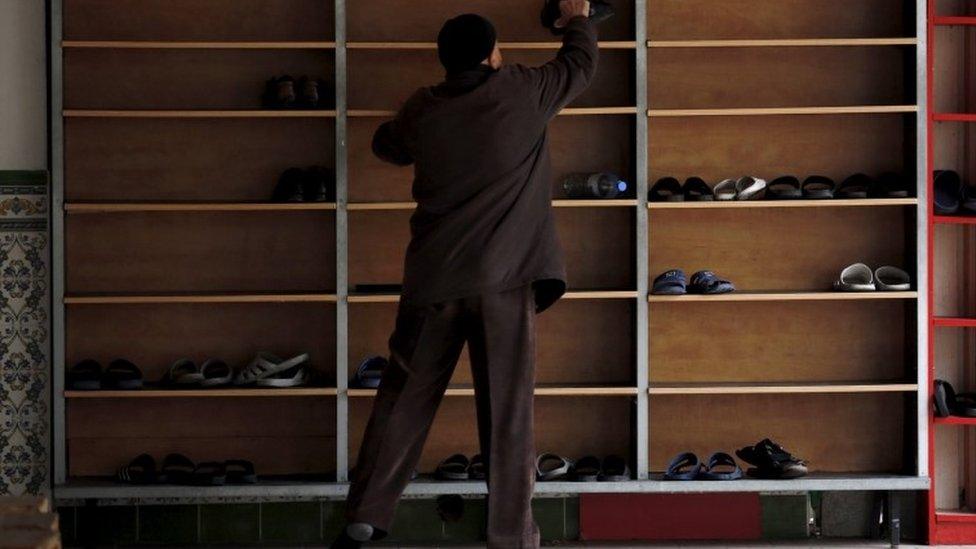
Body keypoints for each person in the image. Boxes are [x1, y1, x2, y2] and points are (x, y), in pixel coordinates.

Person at [332, 2, 598, 547]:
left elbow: (388, 146)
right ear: (491, 55)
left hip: (433, 281)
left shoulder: (423, 109)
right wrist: (577, 17)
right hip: (504, 281)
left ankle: (366, 515)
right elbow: (579, 65)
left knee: (403, 398)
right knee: (507, 412)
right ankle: (510, 535)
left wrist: (399, 127)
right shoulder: (522, 91)